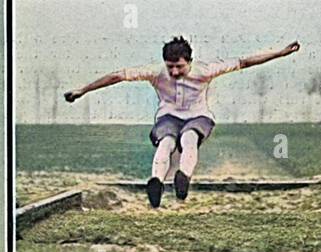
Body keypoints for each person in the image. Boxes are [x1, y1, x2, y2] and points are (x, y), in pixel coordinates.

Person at [64, 35, 300, 207]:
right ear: (164, 64)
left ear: (190, 62)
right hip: (168, 116)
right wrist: (83, 90)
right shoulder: (155, 72)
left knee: (189, 138)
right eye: (170, 68)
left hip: (199, 116)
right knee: (166, 141)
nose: (175, 72)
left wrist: (281, 52)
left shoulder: (205, 70)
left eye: (179, 67)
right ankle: (156, 181)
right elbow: (117, 76)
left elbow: (245, 62)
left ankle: (182, 178)